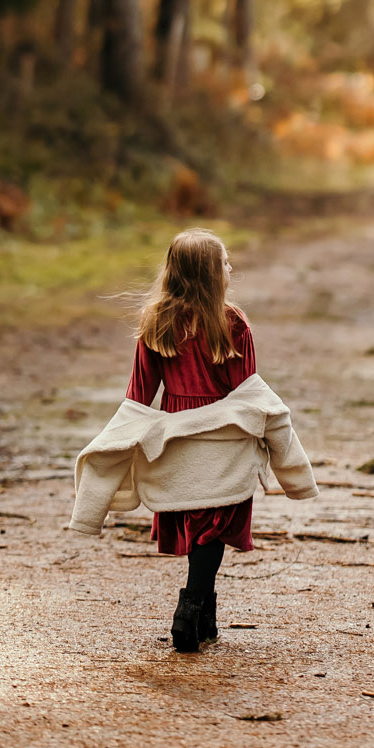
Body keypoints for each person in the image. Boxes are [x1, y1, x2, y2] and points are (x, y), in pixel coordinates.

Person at [127, 228, 257, 654]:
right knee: (213, 524)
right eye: (224, 263)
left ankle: (205, 616)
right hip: (221, 436)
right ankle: (190, 608)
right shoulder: (232, 322)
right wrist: (264, 435)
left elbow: (138, 393)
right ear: (209, 275)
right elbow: (247, 392)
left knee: (200, 522)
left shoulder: (157, 321)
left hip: (177, 432)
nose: (230, 269)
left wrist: (126, 439)